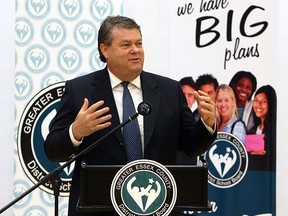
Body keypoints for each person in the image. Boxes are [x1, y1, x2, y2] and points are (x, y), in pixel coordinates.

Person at [44, 15, 217, 216]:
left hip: (158, 206)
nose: (135, 50)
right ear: (105, 50)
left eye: (139, 43)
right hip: (99, 209)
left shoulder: (169, 90)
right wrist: (75, 132)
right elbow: (53, 150)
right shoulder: (79, 90)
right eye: (126, 45)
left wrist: (207, 124)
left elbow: (191, 146)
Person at [247, 85, 276, 171]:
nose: (258, 104)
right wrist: (252, 153)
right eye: (256, 100)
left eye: (264, 101)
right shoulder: (252, 130)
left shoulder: (273, 131)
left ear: (271, 104)